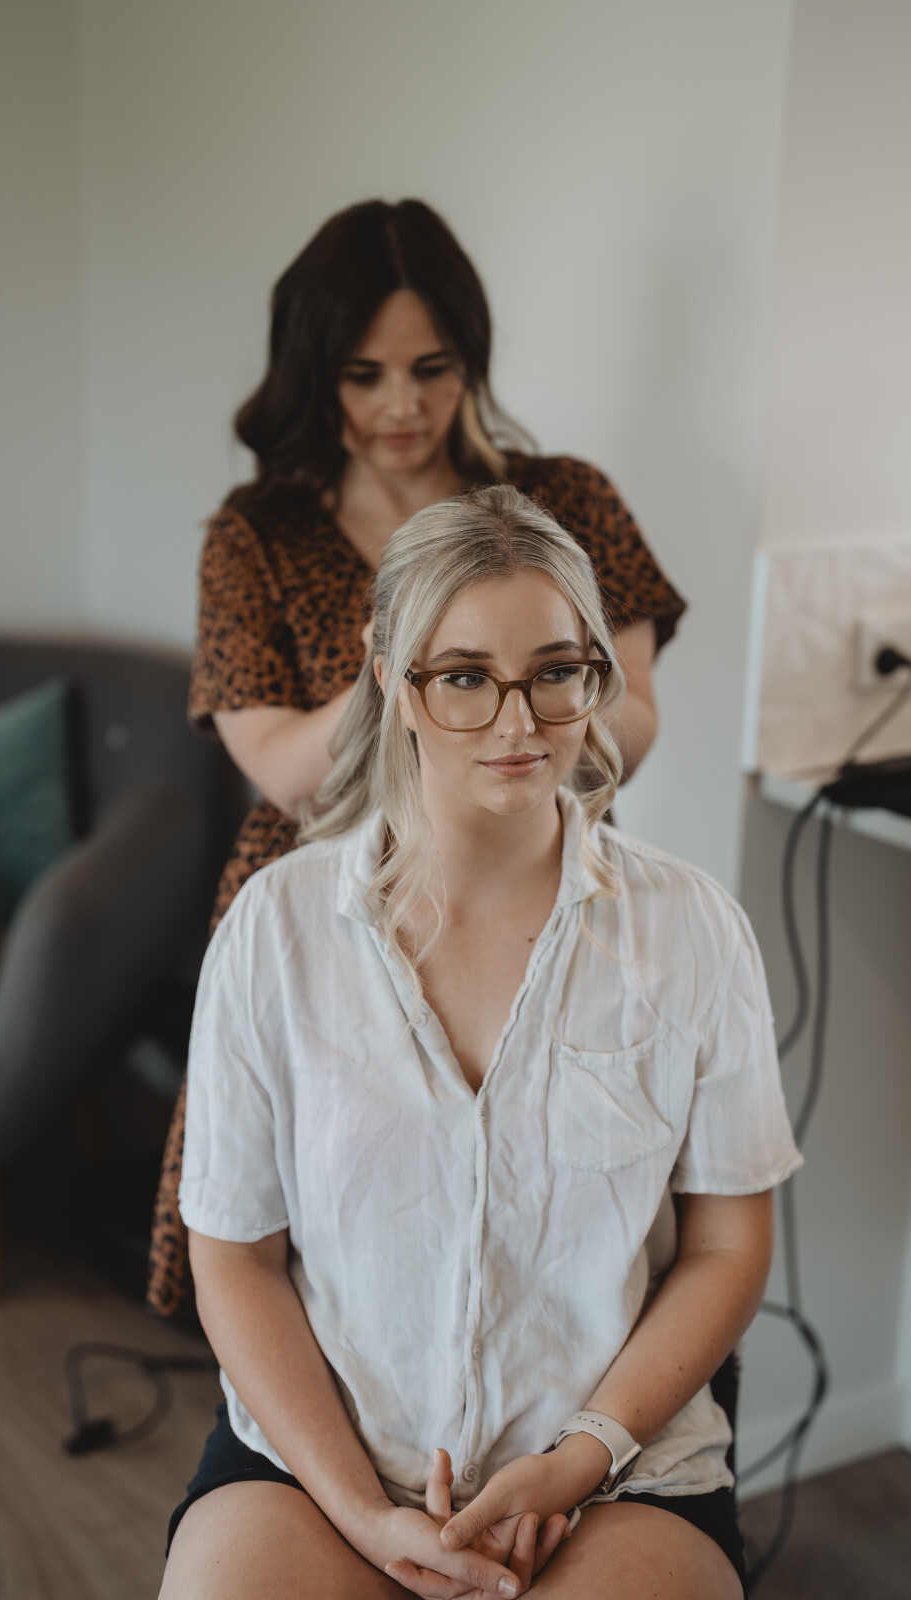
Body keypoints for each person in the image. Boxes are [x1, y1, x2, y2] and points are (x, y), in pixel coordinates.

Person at [158, 487, 801, 1600]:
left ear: (595, 673)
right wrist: (364, 1513)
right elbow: (234, 1258)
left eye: (555, 672)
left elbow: (725, 1246)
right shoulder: (274, 929)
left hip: (613, 1470)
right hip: (321, 1467)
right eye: (463, 677)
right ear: (389, 679)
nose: (519, 725)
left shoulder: (692, 931)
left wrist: (580, 1456)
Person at [147, 198, 687, 1317]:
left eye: (432, 368)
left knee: (557, 1230)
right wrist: (428, 640)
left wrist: (507, 708)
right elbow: (282, 768)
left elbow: (629, 719)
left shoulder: (566, 501)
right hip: (327, 908)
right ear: (314, 374)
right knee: (312, 1242)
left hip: (536, 881)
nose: (403, 405)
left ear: (469, 359)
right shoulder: (255, 535)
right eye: (364, 375)